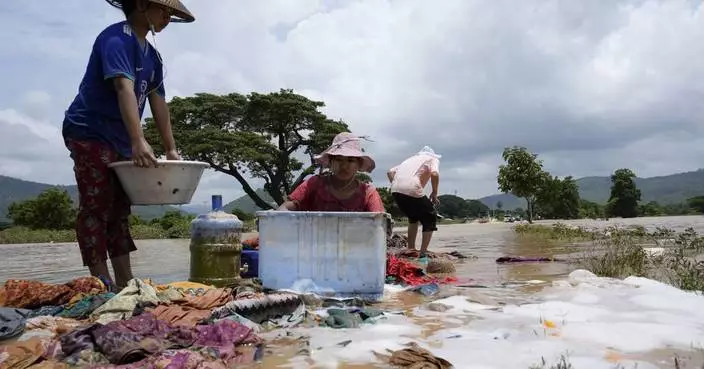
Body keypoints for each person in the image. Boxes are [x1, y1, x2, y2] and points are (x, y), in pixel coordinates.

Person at [62, 0, 195, 290]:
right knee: (96, 203)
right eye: (164, 11)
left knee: (120, 207)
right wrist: (138, 140)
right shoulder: (115, 39)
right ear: (142, 6)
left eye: (171, 14)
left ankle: (125, 279)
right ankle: (100, 282)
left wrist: (171, 148)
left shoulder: (154, 58)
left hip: (120, 137)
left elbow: (158, 103)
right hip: (89, 130)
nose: (167, 19)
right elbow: (124, 87)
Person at [278, 132, 386, 213]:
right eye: (338, 159)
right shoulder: (314, 184)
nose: (344, 166)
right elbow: (286, 207)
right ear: (330, 162)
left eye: (350, 160)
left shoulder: (368, 193)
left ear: (358, 164)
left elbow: (379, 224)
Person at [387, 146, 441, 255]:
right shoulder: (432, 159)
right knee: (430, 217)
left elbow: (390, 172)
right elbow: (435, 174)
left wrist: (398, 184)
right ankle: (423, 252)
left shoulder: (410, 159)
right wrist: (434, 192)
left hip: (395, 189)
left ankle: (410, 248)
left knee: (413, 217)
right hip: (412, 187)